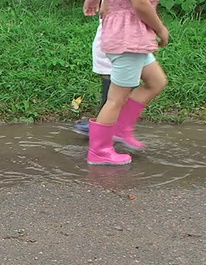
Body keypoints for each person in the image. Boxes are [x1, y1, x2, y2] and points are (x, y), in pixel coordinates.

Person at [83, 0, 169, 165]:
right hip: (128, 38)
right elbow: (140, 4)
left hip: (131, 35)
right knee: (116, 99)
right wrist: (161, 29)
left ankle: (120, 130)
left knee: (156, 81)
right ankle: (99, 151)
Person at [72, 5, 111, 136]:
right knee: (117, 90)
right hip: (117, 36)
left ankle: (107, 125)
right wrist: (159, 28)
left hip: (121, 34)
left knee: (154, 81)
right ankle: (103, 126)